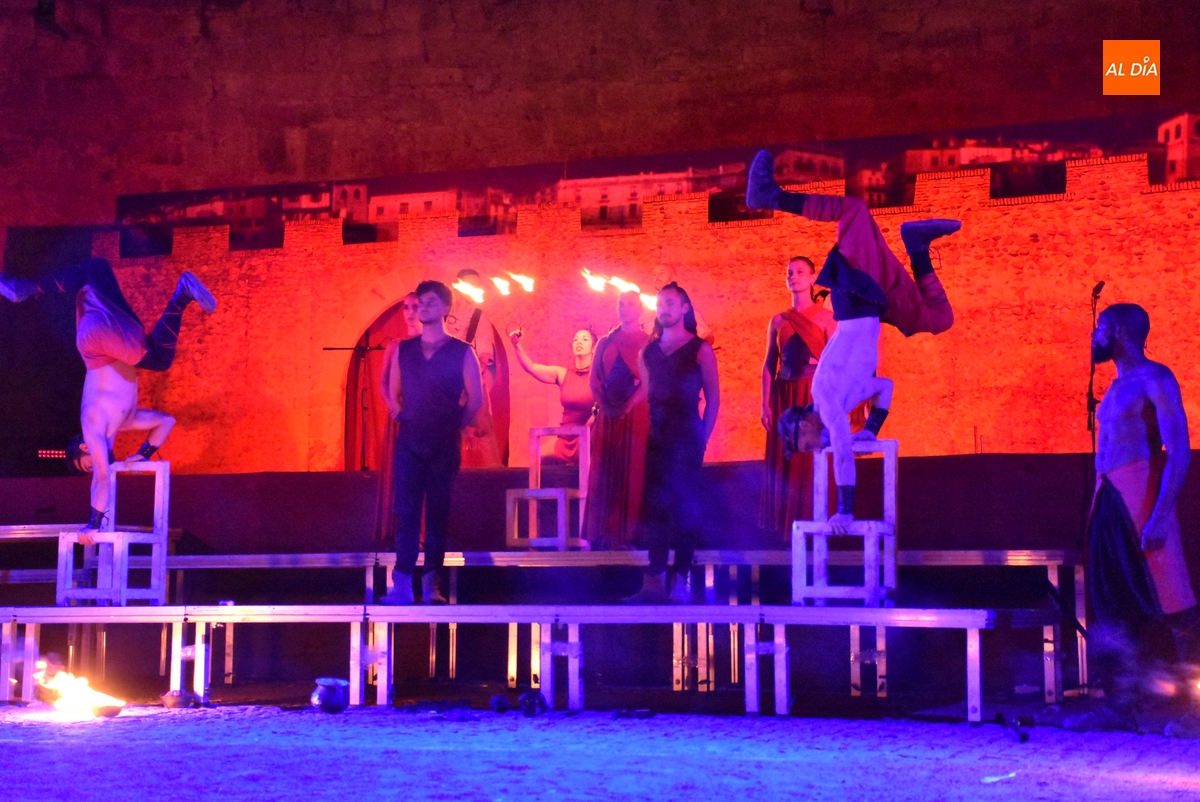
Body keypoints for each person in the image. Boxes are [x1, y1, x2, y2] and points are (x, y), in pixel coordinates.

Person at [748, 149, 959, 534]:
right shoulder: (842, 399)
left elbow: (843, 454)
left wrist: (845, 510)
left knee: (855, 211)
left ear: (803, 425)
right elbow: (884, 386)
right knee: (940, 318)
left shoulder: (827, 402)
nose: (814, 448)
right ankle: (916, 246)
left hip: (855, 294)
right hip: (874, 304)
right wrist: (872, 428)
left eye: (805, 443)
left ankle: (769, 196)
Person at [0, 258, 216, 544]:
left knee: (160, 359)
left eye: (87, 464)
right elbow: (166, 421)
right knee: (96, 269)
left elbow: (102, 478)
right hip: (109, 338)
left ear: (83, 447)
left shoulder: (92, 426)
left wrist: (93, 525)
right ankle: (26, 287)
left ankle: (182, 294)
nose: (95, 465)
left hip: (99, 346)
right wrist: (144, 453)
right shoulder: (125, 421)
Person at [1063, 304, 1199, 737]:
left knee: (1174, 603)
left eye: (1100, 327)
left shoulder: (1155, 378)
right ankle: (1121, 706)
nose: (1094, 335)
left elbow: (1179, 451)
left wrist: (1160, 515)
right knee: (1111, 606)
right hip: (1108, 498)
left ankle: (1196, 712)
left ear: (1119, 331)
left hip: (1142, 497)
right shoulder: (1115, 387)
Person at [379, 280, 484, 605]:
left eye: (431, 302)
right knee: (407, 513)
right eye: (420, 302)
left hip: (443, 443)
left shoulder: (462, 351)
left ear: (446, 308)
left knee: (438, 514)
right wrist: (402, 413)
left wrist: (454, 424)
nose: (423, 307)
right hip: (410, 443)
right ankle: (401, 587)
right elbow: (393, 391)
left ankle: (430, 586)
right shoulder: (404, 349)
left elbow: (476, 399)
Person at [622, 283, 720, 603]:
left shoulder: (700, 350)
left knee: (685, 509)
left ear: (684, 308)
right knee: (656, 508)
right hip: (658, 438)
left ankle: (680, 580)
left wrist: (702, 439)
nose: (663, 309)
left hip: (687, 436)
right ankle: (653, 580)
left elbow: (714, 398)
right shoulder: (648, 353)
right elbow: (649, 396)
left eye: (670, 303)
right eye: (660, 304)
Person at [759, 256, 838, 536]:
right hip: (784, 395)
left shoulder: (828, 318)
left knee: (811, 459)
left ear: (813, 278)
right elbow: (769, 364)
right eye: (789, 272)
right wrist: (765, 404)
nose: (794, 276)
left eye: (800, 272)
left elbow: (835, 364)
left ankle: (817, 525)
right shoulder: (778, 320)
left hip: (812, 395)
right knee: (787, 457)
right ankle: (786, 529)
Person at [587, 291, 651, 550]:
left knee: (632, 470)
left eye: (630, 304)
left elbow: (650, 381)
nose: (625, 308)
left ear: (640, 309)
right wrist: (604, 405)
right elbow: (594, 379)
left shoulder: (648, 343)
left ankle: (628, 534)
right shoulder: (605, 342)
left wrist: (628, 406)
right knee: (605, 471)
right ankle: (602, 533)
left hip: (635, 414)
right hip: (608, 414)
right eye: (620, 304)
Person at [446, 268, 509, 467]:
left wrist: (472, 381)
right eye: (470, 285)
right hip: (443, 384)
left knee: (484, 430)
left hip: (469, 382)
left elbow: (484, 357)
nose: (474, 289)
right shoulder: (443, 312)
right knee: (445, 432)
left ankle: (496, 477)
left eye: (476, 285)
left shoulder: (479, 317)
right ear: (458, 286)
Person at [509, 326, 597, 464]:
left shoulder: (598, 376)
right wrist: (516, 345)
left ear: (593, 348)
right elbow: (531, 367)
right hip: (566, 436)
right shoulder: (562, 374)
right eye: (576, 339)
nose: (579, 342)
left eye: (585, 339)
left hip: (589, 435)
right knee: (539, 455)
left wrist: (585, 431)